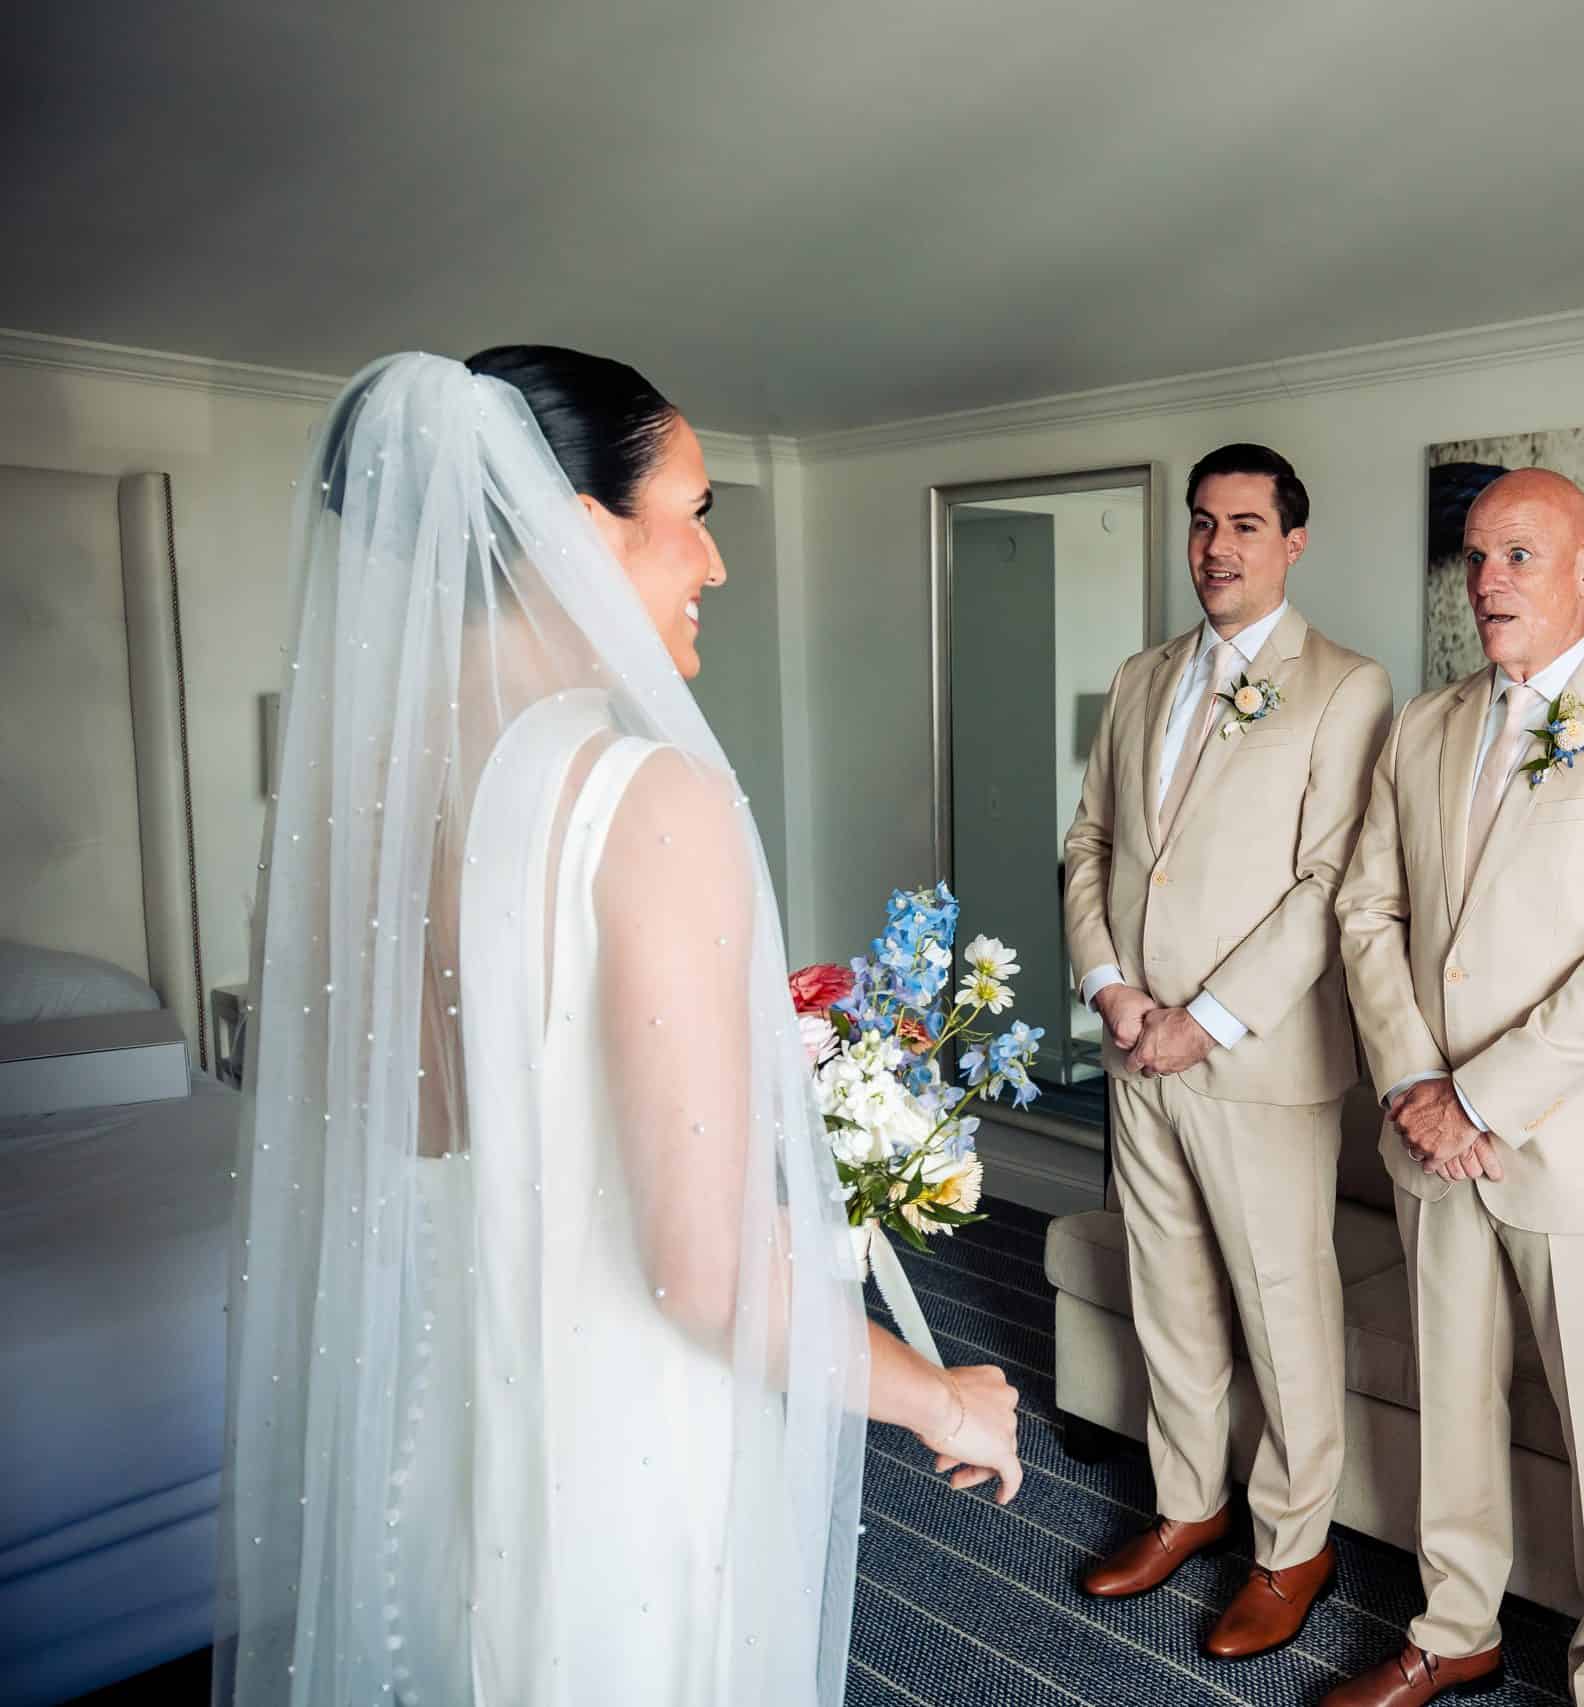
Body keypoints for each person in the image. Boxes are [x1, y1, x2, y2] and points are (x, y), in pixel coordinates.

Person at [214, 347, 1020, 1707]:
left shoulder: (363, 795)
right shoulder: (647, 799)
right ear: (584, 530)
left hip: (438, 1411)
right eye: (693, 515)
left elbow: (412, 1122)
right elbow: (700, 1274)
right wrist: (946, 1399)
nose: (716, 563)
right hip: (605, 1429)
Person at [1330, 469, 1584, 1707]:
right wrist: (1413, 1083)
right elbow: (1368, 912)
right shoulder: (1423, 724)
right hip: (1427, 1143)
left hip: (1581, 1157)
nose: (1488, 581)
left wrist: (1475, 1098)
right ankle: (1454, 1629)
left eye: (1519, 555)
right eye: (1475, 557)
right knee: (1449, 1408)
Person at [1061, 443, 1391, 1657]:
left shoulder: (1346, 686)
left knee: (1281, 1305)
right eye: (1203, 523)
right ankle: (1187, 1503)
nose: (1216, 547)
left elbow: (1326, 883)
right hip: (1133, 1047)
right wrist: (1109, 986)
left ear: (1292, 542)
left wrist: (1203, 1018)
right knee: (1168, 1292)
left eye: (1245, 525)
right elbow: (1092, 841)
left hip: (1255, 1061)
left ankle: (1293, 1547)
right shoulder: (1142, 675)